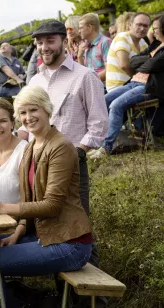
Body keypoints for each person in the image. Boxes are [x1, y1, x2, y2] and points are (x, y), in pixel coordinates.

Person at [0, 86, 93, 308]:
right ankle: (13, 302)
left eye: (34, 110)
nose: (28, 117)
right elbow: (28, 197)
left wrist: (2, 207)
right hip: (42, 233)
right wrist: (19, 229)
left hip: (68, 243)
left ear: (47, 109)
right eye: (22, 112)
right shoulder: (34, 145)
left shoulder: (61, 147)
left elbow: (52, 206)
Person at [25, 20, 108, 308]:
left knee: (77, 229)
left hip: (73, 162)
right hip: (38, 162)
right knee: (49, 227)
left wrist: (77, 152)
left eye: (50, 41)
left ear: (64, 41)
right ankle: (64, 296)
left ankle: (94, 301)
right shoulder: (34, 81)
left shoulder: (84, 77)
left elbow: (99, 125)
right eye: (40, 42)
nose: (44, 47)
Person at [90, 14, 164, 160]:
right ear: (131, 25)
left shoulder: (150, 45)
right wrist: (147, 60)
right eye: (140, 25)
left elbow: (149, 65)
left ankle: (106, 148)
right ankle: (98, 142)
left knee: (116, 105)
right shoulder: (154, 45)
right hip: (133, 82)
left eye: (152, 28)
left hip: (148, 87)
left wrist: (145, 62)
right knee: (104, 101)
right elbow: (134, 62)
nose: (150, 31)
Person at [106, 12, 150, 93]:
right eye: (139, 25)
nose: (142, 28)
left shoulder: (143, 43)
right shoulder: (122, 37)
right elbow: (124, 65)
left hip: (133, 85)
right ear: (130, 25)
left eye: (145, 26)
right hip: (118, 86)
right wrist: (139, 79)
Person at [78, 13, 112, 83]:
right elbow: (83, 73)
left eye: (81, 28)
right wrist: (79, 56)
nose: (79, 31)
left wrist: (90, 81)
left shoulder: (105, 42)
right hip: (91, 86)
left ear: (90, 27)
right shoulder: (85, 45)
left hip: (103, 88)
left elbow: (110, 69)